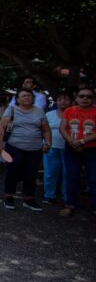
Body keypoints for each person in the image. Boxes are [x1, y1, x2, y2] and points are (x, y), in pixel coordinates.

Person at [0, 88, 51, 211]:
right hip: (15, 146)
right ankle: (9, 196)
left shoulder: (39, 111)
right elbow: (1, 127)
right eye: (24, 96)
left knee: (31, 174)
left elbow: (46, 129)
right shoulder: (11, 110)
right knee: (12, 172)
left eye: (29, 96)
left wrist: (48, 143)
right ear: (17, 99)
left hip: (35, 148)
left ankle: (29, 198)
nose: (27, 98)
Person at [59, 87, 96, 218]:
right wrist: (72, 142)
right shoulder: (69, 110)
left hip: (92, 150)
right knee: (72, 177)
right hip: (71, 148)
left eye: (88, 96)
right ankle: (70, 205)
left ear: (93, 99)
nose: (85, 98)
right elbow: (62, 128)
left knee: (93, 179)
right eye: (82, 96)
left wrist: (80, 141)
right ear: (76, 98)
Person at [42, 92, 71, 204]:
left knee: (67, 173)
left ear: (71, 101)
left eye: (65, 99)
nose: (62, 102)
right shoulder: (49, 114)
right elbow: (43, 130)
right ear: (56, 102)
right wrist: (44, 144)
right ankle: (49, 195)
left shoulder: (73, 113)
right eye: (59, 99)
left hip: (69, 147)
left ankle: (67, 197)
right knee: (50, 172)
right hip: (51, 146)